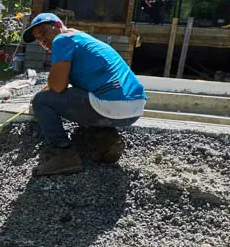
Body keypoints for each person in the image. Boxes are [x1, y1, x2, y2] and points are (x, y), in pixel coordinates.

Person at [23, 12, 147, 176]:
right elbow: (60, 87)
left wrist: (43, 96)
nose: (43, 41)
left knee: (41, 101)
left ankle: (64, 154)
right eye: (38, 39)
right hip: (135, 108)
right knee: (80, 97)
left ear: (59, 26)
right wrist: (50, 88)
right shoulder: (81, 39)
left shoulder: (62, 40)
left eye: (44, 32)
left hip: (110, 104)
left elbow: (58, 87)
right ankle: (106, 140)